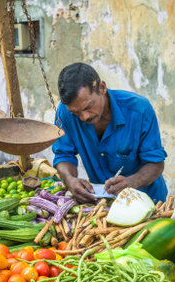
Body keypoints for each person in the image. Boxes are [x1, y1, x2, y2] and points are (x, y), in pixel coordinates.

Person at [52, 63, 168, 203]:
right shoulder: (65, 112)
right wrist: (70, 180)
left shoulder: (139, 109)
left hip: (147, 200)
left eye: (88, 107)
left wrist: (131, 182)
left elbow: (156, 163)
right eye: (76, 113)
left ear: (102, 88)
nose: (84, 117)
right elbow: (63, 154)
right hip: (102, 202)